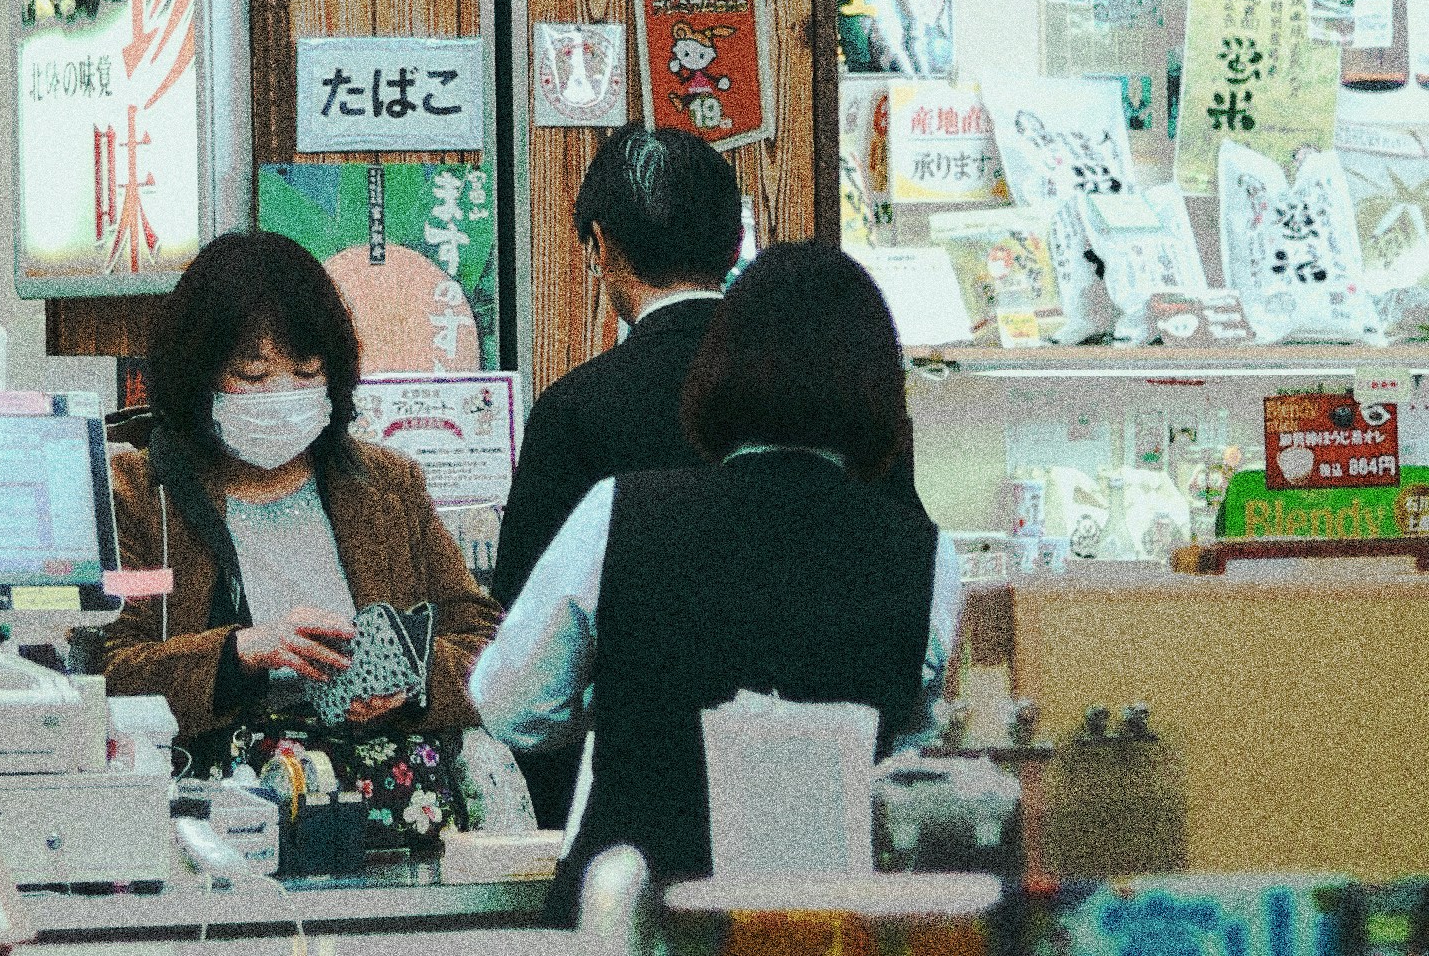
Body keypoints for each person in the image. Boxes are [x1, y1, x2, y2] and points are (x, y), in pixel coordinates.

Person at [471, 235, 945, 892]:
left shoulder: (620, 511)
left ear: (718, 369)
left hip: (635, 909)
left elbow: (509, 704)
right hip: (827, 933)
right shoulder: (925, 554)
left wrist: (618, 690)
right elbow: (923, 747)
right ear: (879, 387)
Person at [104, 225, 497, 767]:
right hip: (209, 806)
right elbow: (107, 668)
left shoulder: (386, 488)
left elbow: (487, 646)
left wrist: (412, 681)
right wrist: (237, 655)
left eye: (306, 372)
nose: (283, 395)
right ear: (198, 377)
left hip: (389, 810)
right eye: (254, 375)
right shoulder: (138, 498)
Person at [487, 125, 747, 825]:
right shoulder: (823, 405)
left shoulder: (577, 410)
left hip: (639, 811)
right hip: (812, 813)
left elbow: (522, 658)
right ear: (735, 245)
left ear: (599, 246)